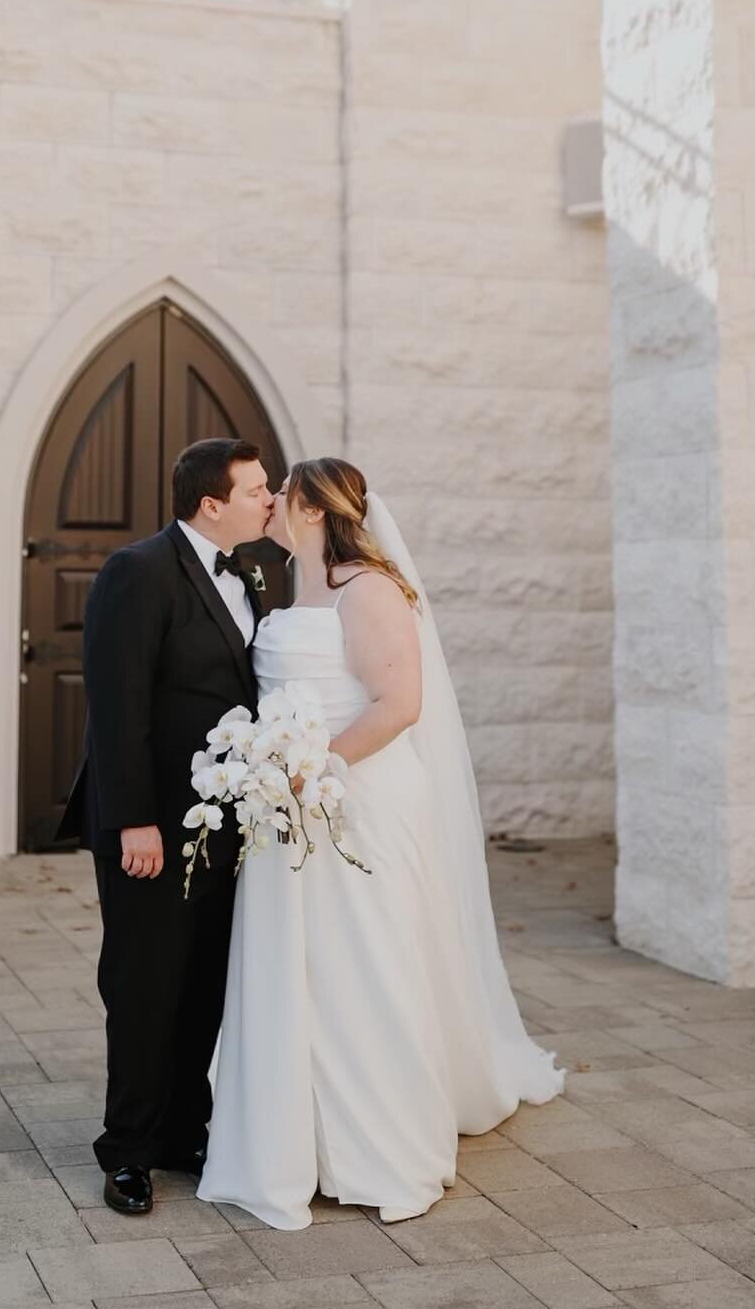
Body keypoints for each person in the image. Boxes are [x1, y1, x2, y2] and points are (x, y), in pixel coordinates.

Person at [197, 457, 565, 1229]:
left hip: (353, 798)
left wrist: (312, 767)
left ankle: (383, 1146)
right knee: (297, 968)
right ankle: (299, 1140)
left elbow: (399, 703)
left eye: (279, 495)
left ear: (309, 509)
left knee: (364, 961)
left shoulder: (369, 588)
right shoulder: (297, 581)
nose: (267, 506)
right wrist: (275, 770)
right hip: (289, 803)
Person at [55, 437, 280, 1216]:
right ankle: (128, 1150)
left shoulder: (252, 573)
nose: (270, 498)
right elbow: (118, 707)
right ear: (211, 503)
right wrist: (135, 823)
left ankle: (186, 1128)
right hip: (152, 826)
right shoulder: (138, 571)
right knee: (145, 983)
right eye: (256, 488)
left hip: (223, 821)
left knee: (202, 984)